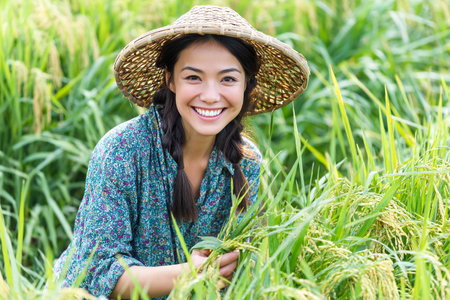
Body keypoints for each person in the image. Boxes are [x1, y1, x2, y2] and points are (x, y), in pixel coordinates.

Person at [52, 5, 309, 299]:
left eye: (228, 79)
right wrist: (192, 272)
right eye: (193, 78)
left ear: (246, 85)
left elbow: (244, 262)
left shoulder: (246, 161)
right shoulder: (122, 151)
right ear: (170, 80)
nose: (211, 95)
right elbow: (98, 274)